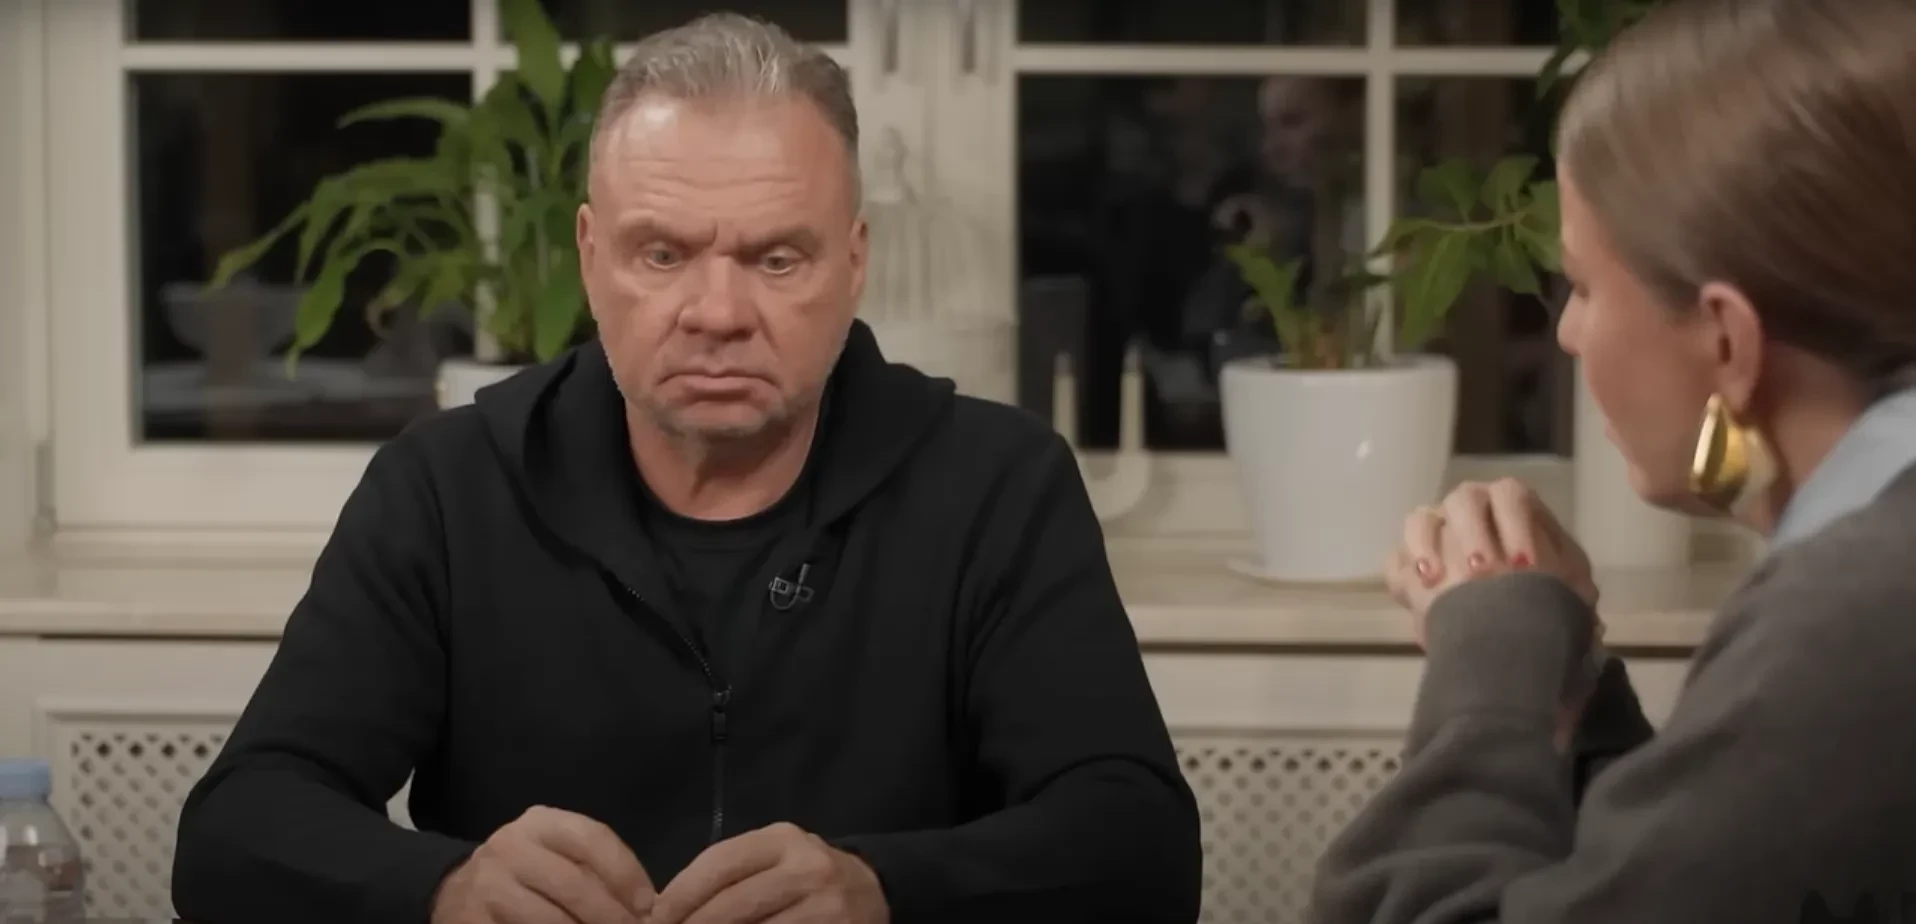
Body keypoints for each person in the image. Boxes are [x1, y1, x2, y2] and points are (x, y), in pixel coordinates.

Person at [170, 13, 1202, 924]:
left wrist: (886, 891)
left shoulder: (995, 485)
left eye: (777, 259)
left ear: (854, 263)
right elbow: (235, 830)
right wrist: (441, 890)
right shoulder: (446, 487)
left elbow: (1140, 845)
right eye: (661, 255)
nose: (717, 314)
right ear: (590, 257)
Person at [1309, 1, 1916, 922]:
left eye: (1585, 286)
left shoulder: (1857, 614)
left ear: (1725, 339)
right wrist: (1580, 694)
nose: (1567, 331)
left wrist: (1492, 658)